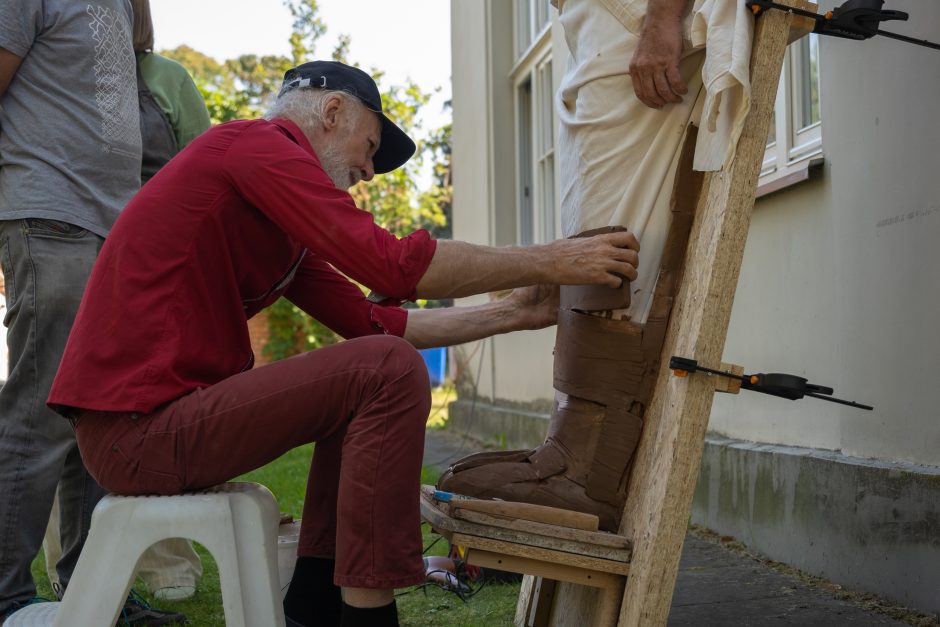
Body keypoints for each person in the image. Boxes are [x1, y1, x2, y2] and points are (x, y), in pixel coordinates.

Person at [45, 60, 639, 627]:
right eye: (371, 148)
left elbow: (380, 323)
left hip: (160, 425)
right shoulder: (254, 147)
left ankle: (313, 606)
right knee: (384, 370)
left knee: (374, 368)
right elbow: (393, 268)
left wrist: (514, 312)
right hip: (134, 431)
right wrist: (558, 258)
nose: (368, 172)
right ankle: (367, 617)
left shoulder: (280, 226)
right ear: (332, 110)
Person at [438, 0, 756, 532]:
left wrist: (660, 20)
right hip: (591, 24)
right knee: (590, 220)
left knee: (613, 230)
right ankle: (571, 443)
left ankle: (591, 468)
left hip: (633, 18)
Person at [38, 0, 212, 605]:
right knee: (67, 416)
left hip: (155, 277)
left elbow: (206, 169)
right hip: (75, 249)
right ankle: (78, 568)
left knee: (146, 413)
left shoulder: (167, 79)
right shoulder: (51, 84)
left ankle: (163, 565)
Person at [0, 0, 140, 621]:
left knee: (102, 420)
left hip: (115, 233)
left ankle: (93, 592)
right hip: (51, 215)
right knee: (39, 416)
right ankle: (4, 599)